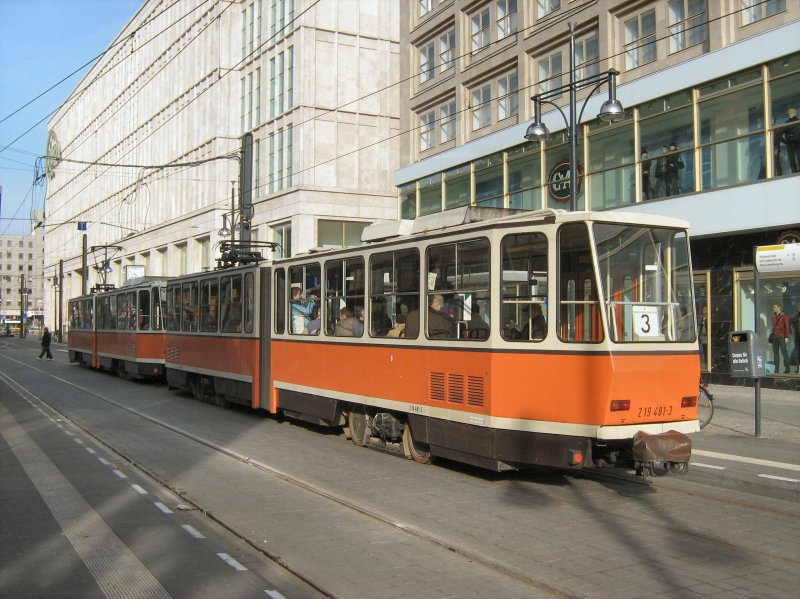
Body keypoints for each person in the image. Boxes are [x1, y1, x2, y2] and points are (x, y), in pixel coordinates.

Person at [770, 304, 791, 374]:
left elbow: (787, 327)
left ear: (779, 308)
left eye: (775, 307)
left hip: (782, 336)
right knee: (775, 354)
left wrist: (787, 337)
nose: (774, 309)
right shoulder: (773, 317)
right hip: (775, 337)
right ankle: (776, 369)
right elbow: (773, 327)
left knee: (784, 353)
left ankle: (787, 369)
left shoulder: (784, 317)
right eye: (774, 307)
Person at [783, 107, 799, 174]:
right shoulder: (786, 123)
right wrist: (785, 141)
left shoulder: (798, 121)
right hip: (790, 143)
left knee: (799, 157)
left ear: (795, 113)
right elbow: (779, 133)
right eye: (789, 113)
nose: (790, 114)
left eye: (791, 112)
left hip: (798, 143)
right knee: (792, 159)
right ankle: (794, 172)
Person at [790, 303, 800, 374]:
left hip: (797, 337)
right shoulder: (796, 317)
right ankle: (798, 368)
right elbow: (789, 322)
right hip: (797, 338)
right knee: (798, 353)